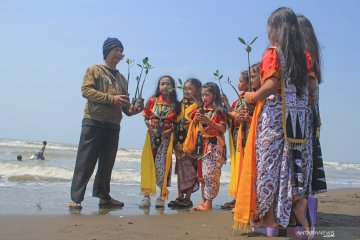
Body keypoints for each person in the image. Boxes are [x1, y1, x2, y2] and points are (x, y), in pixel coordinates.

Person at [234, 7, 309, 236]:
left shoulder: (273, 53)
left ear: (275, 28)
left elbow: (270, 85)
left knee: (267, 166)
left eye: (268, 25)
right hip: (297, 121)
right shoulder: (303, 57)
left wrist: (252, 97)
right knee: (289, 166)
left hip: (274, 119)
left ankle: (269, 218)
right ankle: (292, 217)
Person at [68, 37, 143, 210]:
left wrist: (134, 110)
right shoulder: (94, 70)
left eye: (121, 51)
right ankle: (76, 198)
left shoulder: (123, 79)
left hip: (113, 124)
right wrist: (112, 98)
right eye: (116, 50)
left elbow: (125, 108)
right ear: (107, 51)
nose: (119, 54)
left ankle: (104, 197)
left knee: (107, 163)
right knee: (85, 161)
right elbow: (86, 91)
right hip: (93, 121)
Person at [183, 82, 227, 211]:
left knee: (210, 174)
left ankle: (208, 203)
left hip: (213, 145)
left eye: (207, 95)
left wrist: (209, 122)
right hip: (201, 145)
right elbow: (191, 124)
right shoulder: (200, 110)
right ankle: (204, 202)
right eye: (202, 95)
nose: (204, 98)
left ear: (214, 95)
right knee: (202, 175)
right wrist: (195, 120)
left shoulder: (219, 111)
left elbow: (223, 129)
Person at [140, 75, 179, 208]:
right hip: (152, 135)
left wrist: (172, 130)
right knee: (149, 163)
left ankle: (162, 196)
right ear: (159, 86)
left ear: (173, 87)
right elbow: (146, 117)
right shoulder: (153, 100)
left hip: (167, 137)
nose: (165, 86)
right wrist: (149, 126)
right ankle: (146, 196)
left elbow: (178, 123)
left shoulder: (176, 104)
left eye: (168, 84)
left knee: (163, 166)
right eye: (162, 83)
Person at [168, 78, 202, 209]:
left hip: (192, 143)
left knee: (190, 170)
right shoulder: (178, 105)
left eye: (190, 88)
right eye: (184, 88)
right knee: (180, 170)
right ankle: (179, 196)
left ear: (198, 90)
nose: (186, 91)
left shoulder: (200, 106)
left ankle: (187, 198)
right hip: (179, 142)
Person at [222, 71, 250, 210]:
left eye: (240, 81)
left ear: (249, 83)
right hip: (236, 139)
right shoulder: (238, 100)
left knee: (244, 168)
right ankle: (238, 198)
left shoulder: (251, 99)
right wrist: (226, 104)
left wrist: (235, 115)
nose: (238, 83)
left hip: (246, 138)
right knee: (237, 168)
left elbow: (239, 117)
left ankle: (242, 199)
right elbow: (232, 116)